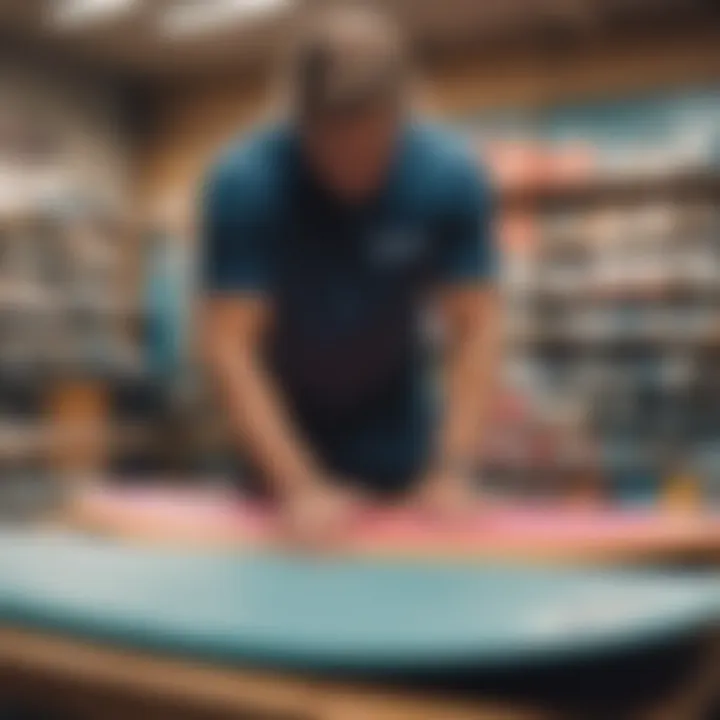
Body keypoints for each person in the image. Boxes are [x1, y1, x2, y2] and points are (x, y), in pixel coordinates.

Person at [201, 3, 500, 547]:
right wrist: (298, 484)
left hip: (396, 450)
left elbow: (477, 328)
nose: (351, 167)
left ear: (400, 115)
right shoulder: (244, 181)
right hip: (278, 458)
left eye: (371, 144)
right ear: (299, 120)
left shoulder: (451, 176)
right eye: (330, 144)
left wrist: (453, 468)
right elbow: (230, 346)